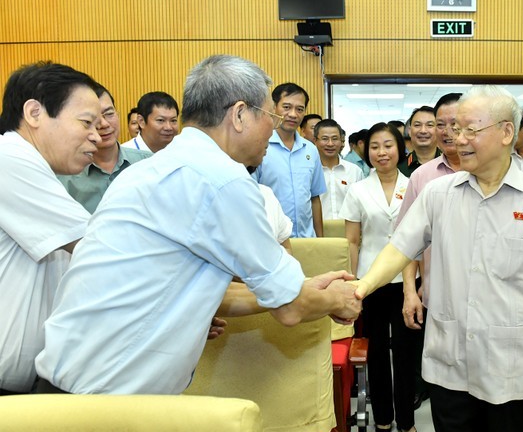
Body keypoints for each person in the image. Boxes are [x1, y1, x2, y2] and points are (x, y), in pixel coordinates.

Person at [34, 55, 361, 395]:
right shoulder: (221, 180)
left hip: (69, 388)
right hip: (105, 402)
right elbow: (291, 308)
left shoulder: (149, 170)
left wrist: (302, 287)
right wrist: (336, 299)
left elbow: (201, 289)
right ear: (238, 115)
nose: (275, 128)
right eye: (271, 116)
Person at [358, 86, 523, 432]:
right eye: (453, 128)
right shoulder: (437, 194)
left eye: (469, 129)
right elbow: (399, 249)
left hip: (511, 368)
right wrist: (360, 290)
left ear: (504, 133)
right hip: (451, 363)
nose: (456, 139)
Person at [0, 61, 100, 394]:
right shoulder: (9, 160)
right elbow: (100, 250)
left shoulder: (35, 167)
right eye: (86, 122)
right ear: (34, 113)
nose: (97, 137)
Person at [340, 122, 417, 432]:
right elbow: (352, 241)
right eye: (374, 146)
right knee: (374, 353)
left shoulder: (414, 186)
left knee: (405, 351)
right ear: (365, 150)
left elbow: (418, 241)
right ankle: (383, 416)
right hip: (370, 282)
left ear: (400, 149)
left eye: (388, 145)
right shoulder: (357, 190)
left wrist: (413, 287)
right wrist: (354, 283)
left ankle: (407, 419)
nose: (381, 152)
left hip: (405, 280)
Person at [399, 92, 463, 410]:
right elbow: (405, 244)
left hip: (489, 302)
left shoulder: (495, 172)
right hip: (437, 297)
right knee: (443, 386)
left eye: (456, 123)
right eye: (442, 124)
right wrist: (410, 292)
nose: (447, 131)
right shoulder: (422, 177)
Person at [58, 84, 151, 213]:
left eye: (109, 114)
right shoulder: (65, 176)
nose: (104, 124)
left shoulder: (149, 163)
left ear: (118, 114)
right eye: (91, 118)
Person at [251, 83, 326, 237]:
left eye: (300, 109)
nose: (293, 114)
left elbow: (314, 198)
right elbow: (251, 197)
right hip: (272, 241)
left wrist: (320, 239)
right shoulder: (258, 147)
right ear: (273, 108)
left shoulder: (311, 150)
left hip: (308, 240)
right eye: (286, 107)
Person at [316, 119, 363, 220]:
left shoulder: (355, 171)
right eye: (325, 139)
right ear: (315, 141)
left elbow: (362, 205)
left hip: (349, 231)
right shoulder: (310, 172)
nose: (330, 144)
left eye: (335, 139)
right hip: (317, 233)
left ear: (341, 141)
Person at [398, 106, 439, 176]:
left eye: (429, 125)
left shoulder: (450, 163)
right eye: (417, 125)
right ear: (410, 131)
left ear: (438, 130)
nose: (423, 131)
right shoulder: (398, 168)